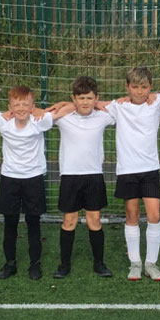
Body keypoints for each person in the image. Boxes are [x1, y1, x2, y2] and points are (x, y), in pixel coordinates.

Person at [103, 67, 160, 281]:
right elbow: (90, 105)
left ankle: (151, 263)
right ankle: (135, 263)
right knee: (132, 216)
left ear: (150, 87)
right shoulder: (118, 107)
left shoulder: (156, 102)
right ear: (127, 87)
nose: (139, 91)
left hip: (150, 171)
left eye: (143, 87)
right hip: (127, 171)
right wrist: (60, 107)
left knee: (154, 216)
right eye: (134, 87)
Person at [0, 86, 60, 281]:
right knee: (10, 223)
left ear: (32, 106)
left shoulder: (40, 122)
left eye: (26, 104)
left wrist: (44, 111)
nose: (21, 108)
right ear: (10, 107)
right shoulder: (2, 122)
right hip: (9, 179)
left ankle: (34, 264)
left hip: (34, 178)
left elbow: (68, 108)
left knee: (33, 223)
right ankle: (10, 263)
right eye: (16, 104)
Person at [51, 76, 115, 279]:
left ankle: (99, 263)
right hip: (70, 177)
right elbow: (41, 115)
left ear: (96, 98)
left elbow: (123, 105)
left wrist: (101, 105)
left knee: (94, 220)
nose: (85, 102)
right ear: (74, 98)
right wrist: (66, 106)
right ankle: (64, 264)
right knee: (69, 220)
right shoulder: (63, 117)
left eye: (89, 98)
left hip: (93, 176)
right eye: (80, 98)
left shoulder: (103, 117)